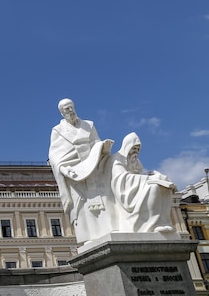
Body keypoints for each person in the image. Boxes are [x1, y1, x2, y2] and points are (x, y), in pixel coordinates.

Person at [48, 98, 116, 244]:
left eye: (71, 107)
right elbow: (54, 156)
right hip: (75, 174)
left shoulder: (89, 125)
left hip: (94, 171)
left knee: (103, 201)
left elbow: (96, 143)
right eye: (66, 109)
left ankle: (106, 231)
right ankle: (89, 239)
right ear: (61, 112)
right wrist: (63, 168)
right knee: (83, 207)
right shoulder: (58, 131)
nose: (70, 111)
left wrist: (104, 147)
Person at [109, 132, 175, 233]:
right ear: (127, 146)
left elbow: (141, 174)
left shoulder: (136, 161)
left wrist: (150, 176)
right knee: (154, 188)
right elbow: (121, 178)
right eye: (134, 148)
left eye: (138, 149)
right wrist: (146, 179)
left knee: (164, 188)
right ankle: (152, 224)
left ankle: (162, 222)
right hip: (124, 191)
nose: (136, 151)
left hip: (137, 187)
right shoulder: (117, 159)